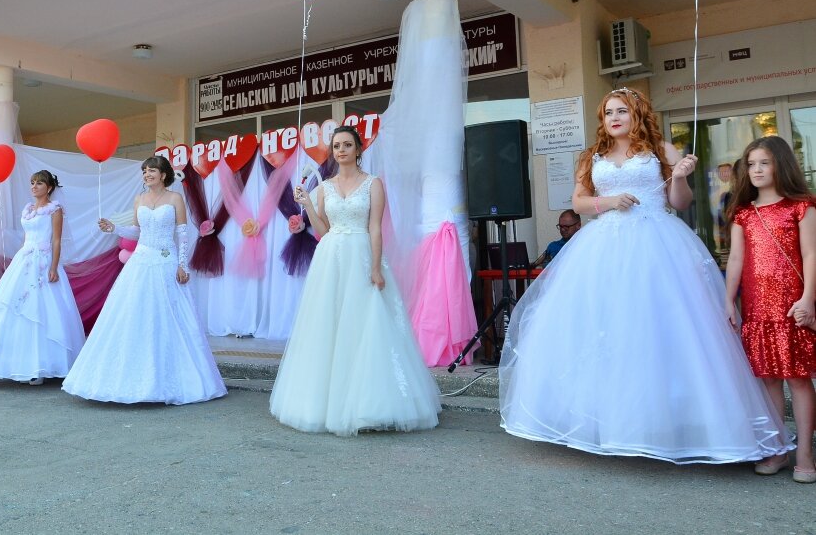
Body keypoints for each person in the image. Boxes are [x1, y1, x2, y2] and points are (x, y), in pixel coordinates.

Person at [500, 87, 794, 464]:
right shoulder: (592, 156)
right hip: (603, 248)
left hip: (658, 245)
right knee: (605, 330)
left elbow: (680, 202)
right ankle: (607, 421)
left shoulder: (662, 150)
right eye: (608, 113)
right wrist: (608, 201)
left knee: (662, 332)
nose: (614, 118)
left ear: (637, 112)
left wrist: (682, 176)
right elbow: (578, 201)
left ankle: (673, 423)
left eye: (622, 110)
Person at [270, 125, 441, 436]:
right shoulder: (324, 187)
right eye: (336, 145)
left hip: (362, 255)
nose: (341, 150)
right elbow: (322, 231)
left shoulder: (373, 184)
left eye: (347, 145)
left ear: (359, 150)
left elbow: (375, 228)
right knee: (329, 328)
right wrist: (307, 203)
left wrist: (375, 267)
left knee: (368, 326)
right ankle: (327, 403)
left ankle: (371, 403)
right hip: (331, 260)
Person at [62, 155, 226, 405]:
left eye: (152, 171)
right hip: (140, 261)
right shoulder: (139, 199)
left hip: (165, 260)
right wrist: (114, 228)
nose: (147, 174)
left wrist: (182, 265)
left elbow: (182, 234)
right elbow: (137, 232)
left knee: (168, 316)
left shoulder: (175, 199)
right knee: (132, 315)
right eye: (144, 171)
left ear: (163, 175)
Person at [724, 136, 816, 482]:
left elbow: (811, 254)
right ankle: (777, 447)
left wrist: (808, 299)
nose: (757, 170)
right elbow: (736, 259)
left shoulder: (801, 206)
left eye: (764, 163)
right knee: (768, 380)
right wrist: (728, 300)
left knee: (799, 378)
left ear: (781, 164)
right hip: (758, 307)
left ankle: (805, 452)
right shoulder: (744, 212)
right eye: (751, 164)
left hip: (793, 306)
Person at [0, 170, 85, 385]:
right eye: (32, 183)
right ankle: (13, 363)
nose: (34, 187)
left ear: (49, 187)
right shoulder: (28, 210)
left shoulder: (55, 209)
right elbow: (26, 238)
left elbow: (56, 240)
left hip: (43, 261)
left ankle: (42, 365)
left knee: (43, 310)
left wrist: (53, 266)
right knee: (13, 307)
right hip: (25, 259)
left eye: (39, 183)